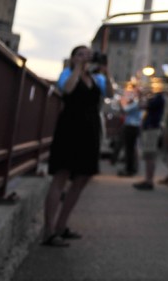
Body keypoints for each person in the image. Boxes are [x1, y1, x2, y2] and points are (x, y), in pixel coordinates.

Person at [42, 45, 114, 247]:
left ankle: (61, 226)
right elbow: (68, 89)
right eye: (80, 54)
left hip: (89, 131)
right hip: (69, 129)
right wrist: (77, 69)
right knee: (61, 175)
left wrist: (106, 72)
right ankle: (48, 230)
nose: (85, 57)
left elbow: (109, 93)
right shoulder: (67, 73)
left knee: (82, 177)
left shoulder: (95, 78)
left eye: (88, 55)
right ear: (72, 58)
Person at [133, 82, 166, 190]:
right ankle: (148, 179)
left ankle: (149, 180)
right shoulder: (157, 97)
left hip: (152, 128)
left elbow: (142, 106)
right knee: (148, 155)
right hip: (150, 128)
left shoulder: (159, 98)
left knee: (150, 155)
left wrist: (141, 95)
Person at [118, 84, 141, 177]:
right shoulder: (135, 103)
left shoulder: (136, 103)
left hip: (131, 127)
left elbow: (124, 110)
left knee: (130, 149)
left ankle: (129, 169)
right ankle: (130, 168)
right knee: (130, 149)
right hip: (132, 127)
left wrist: (121, 102)